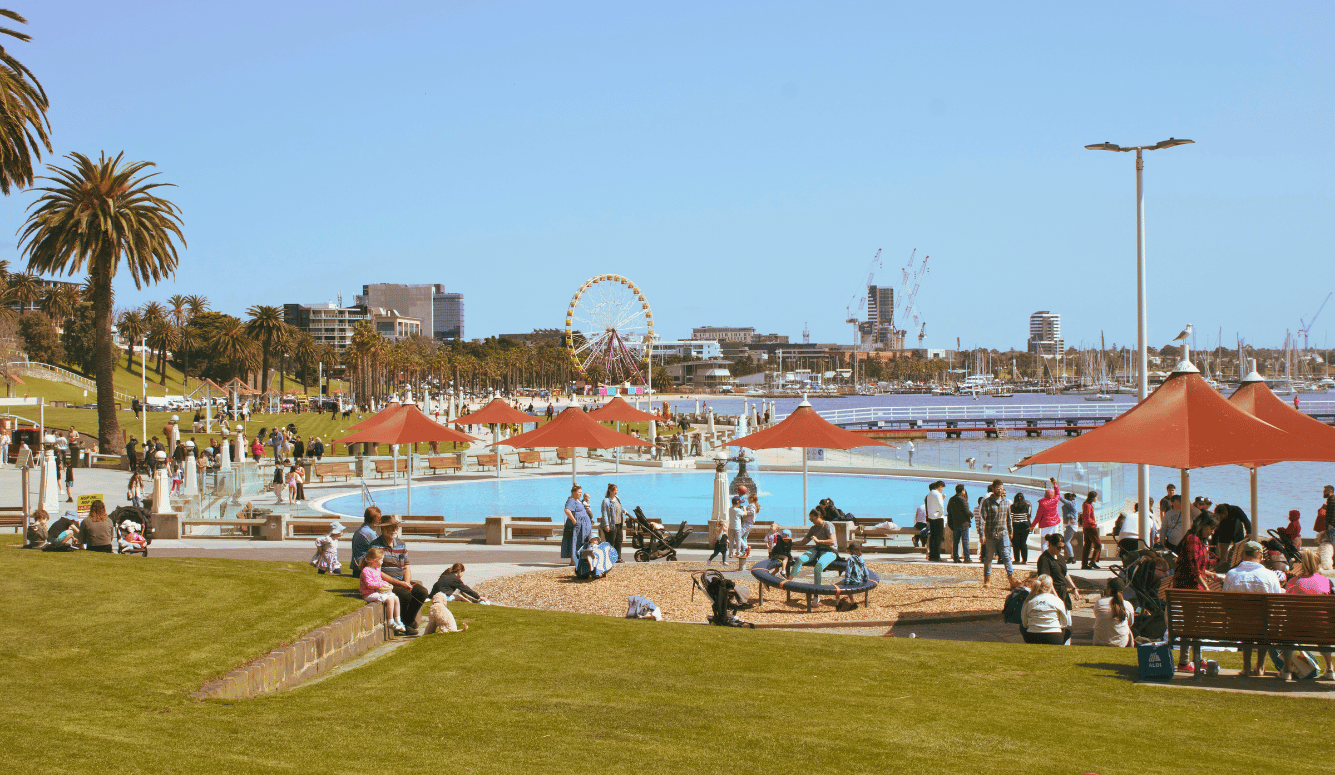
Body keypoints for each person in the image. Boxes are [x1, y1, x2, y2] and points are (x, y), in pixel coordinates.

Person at [1222, 540, 1283, 676]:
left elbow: (1226, 602)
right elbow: (1277, 602)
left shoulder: (1231, 574)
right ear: (1259, 555)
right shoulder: (1270, 575)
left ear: (1244, 555)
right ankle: (1260, 666)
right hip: (1263, 625)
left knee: (1246, 624)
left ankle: (1246, 667)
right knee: (1263, 623)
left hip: (1237, 625)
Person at [1171, 512, 1221, 673]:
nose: (1212, 532)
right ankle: (1184, 660)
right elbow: (1194, 569)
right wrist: (1207, 588)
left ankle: (1195, 658)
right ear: (1202, 525)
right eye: (1211, 528)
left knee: (1194, 624)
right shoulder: (1193, 540)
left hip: (1191, 588)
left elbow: (1198, 567)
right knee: (1192, 625)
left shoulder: (1198, 540)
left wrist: (1210, 574)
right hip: (1189, 589)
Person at [371, 516, 427, 635]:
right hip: (386, 583)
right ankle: (405, 626)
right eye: (390, 527)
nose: (394, 530)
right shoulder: (375, 546)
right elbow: (377, 572)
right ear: (383, 529)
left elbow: (406, 566)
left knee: (422, 592)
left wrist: (406, 582)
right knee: (405, 594)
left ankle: (408, 621)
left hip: (401, 581)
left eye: (395, 527)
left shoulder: (401, 544)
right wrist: (400, 584)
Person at [1285, 549, 1335, 680]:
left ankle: (1286, 670)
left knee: (1287, 631)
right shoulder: (1326, 583)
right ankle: (1330, 669)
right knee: (1323, 626)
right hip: (1320, 630)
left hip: (1295, 629)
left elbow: (1286, 608)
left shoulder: (1292, 582)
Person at [790, 509, 837, 596]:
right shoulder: (813, 528)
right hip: (818, 549)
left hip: (830, 551)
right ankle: (788, 582)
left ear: (819, 516)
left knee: (818, 566)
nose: (811, 521)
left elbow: (832, 541)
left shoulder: (828, 525)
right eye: (810, 520)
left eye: (812, 519)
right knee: (800, 559)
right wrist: (790, 543)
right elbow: (803, 542)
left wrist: (819, 541)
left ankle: (816, 594)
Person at [359, 548, 405, 634]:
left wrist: (387, 584)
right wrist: (382, 585)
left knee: (395, 598)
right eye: (381, 560)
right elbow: (369, 584)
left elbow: (379, 580)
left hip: (376, 592)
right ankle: (390, 622)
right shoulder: (366, 571)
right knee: (389, 599)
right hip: (368, 594)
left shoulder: (376, 570)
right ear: (374, 561)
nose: (382, 562)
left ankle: (398, 620)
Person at [979, 481, 1015, 588]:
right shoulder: (987, 502)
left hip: (1003, 533)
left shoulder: (1006, 502)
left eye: (1002, 488)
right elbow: (982, 519)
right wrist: (981, 534)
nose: (1000, 490)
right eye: (998, 488)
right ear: (993, 489)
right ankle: (987, 579)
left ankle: (1011, 579)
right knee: (989, 557)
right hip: (990, 534)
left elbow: (1009, 518)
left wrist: (1010, 532)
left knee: (1006, 556)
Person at [1021, 574, 1071, 645]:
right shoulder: (1057, 601)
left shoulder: (1030, 601)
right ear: (1051, 587)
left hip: (1032, 637)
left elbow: (1024, 623)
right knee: (1069, 629)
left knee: (1022, 627)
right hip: (1054, 637)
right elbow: (1064, 623)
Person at [1036, 533, 1074, 615]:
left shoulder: (1060, 557)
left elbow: (1065, 573)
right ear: (1050, 545)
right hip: (1053, 593)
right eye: (1058, 547)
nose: (1060, 550)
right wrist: (1055, 597)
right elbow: (1046, 580)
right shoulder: (1044, 559)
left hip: (1063, 592)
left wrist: (1073, 588)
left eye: (1062, 547)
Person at [1092, 578, 1134, 647]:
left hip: (1099, 641)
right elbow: (1130, 623)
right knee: (1129, 631)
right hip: (1121, 643)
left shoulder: (1099, 602)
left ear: (1109, 589)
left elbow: (1097, 615)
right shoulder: (1127, 605)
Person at [562, 484, 593, 567]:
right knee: (575, 542)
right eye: (579, 492)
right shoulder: (572, 500)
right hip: (577, 526)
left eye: (581, 492)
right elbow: (567, 510)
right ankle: (573, 560)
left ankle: (579, 559)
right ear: (574, 492)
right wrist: (573, 520)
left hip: (583, 525)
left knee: (581, 542)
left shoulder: (577, 500)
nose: (580, 494)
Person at [1029, 477, 1062, 544]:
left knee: (1044, 542)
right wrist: (1055, 485)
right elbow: (1058, 494)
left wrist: (1032, 525)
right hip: (1055, 523)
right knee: (1054, 541)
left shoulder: (1042, 504)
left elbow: (1038, 517)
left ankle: (1044, 554)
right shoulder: (1055, 500)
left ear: (1045, 495)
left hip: (1046, 525)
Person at [350, 506, 382, 576]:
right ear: (375, 519)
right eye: (379, 519)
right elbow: (378, 550)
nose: (379, 521)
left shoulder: (360, 530)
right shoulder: (370, 533)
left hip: (356, 566)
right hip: (364, 568)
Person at [947, 484, 972, 563]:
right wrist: (972, 515)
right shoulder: (962, 499)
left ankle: (956, 557)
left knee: (956, 541)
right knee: (965, 541)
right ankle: (967, 558)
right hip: (964, 523)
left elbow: (948, 510)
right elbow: (966, 511)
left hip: (955, 523)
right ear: (963, 491)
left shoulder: (951, 499)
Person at [600, 483, 624, 562]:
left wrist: (624, 511)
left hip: (619, 523)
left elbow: (619, 508)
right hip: (611, 524)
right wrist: (607, 525)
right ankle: (610, 558)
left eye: (616, 490)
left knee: (619, 541)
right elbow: (604, 513)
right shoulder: (606, 501)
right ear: (610, 491)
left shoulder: (617, 498)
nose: (616, 492)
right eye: (614, 491)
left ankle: (618, 557)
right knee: (611, 542)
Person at [925, 480, 946, 562]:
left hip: (931, 517)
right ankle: (937, 556)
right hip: (938, 517)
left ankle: (932, 555)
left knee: (933, 537)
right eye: (942, 488)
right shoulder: (938, 494)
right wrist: (941, 512)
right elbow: (941, 505)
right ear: (940, 486)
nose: (942, 490)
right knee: (938, 537)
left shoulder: (929, 494)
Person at [1080, 490, 1102, 570]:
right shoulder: (1088, 505)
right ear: (1093, 498)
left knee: (1087, 546)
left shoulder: (1086, 505)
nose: (1097, 498)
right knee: (1098, 545)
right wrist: (1094, 523)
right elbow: (1087, 518)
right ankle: (1093, 561)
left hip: (1086, 527)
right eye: (1096, 497)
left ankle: (1085, 564)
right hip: (1090, 527)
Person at [1010, 492, 1032, 565]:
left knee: (1015, 542)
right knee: (1023, 543)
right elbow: (1029, 516)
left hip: (1016, 525)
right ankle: (1024, 560)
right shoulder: (1027, 505)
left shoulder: (1012, 506)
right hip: (1025, 525)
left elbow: (1011, 517)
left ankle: (1017, 559)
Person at [1060, 492, 1079, 563]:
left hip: (1071, 525)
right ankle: (1071, 557)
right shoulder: (1072, 503)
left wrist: (1056, 489)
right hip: (1069, 525)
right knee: (1066, 541)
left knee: (1066, 541)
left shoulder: (1071, 504)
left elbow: (1061, 499)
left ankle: (1072, 557)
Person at [727, 495, 747, 560]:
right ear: (738, 503)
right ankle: (738, 553)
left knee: (731, 541)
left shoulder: (730, 509)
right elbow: (745, 514)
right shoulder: (738, 510)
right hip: (737, 528)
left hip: (731, 527)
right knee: (738, 541)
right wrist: (744, 508)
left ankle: (730, 553)